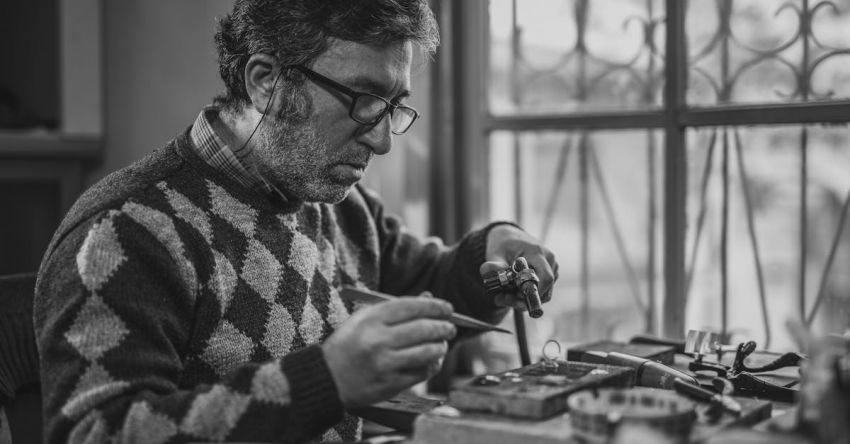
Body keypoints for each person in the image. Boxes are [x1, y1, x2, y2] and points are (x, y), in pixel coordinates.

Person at [34, 1, 558, 443]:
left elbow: (428, 287)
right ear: (265, 81)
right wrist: (325, 380)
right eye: (364, 100)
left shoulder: (338, 204)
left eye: (393, 106)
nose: (382, 139)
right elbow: (97, 432)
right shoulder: (125, 232)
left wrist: (492, 251)